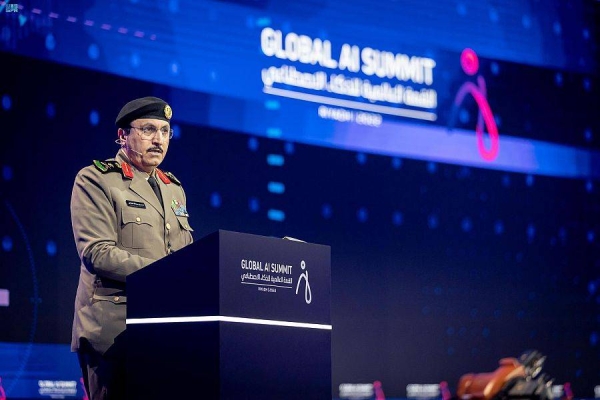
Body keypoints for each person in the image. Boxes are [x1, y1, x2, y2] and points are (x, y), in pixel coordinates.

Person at [70, 97, 194, 399]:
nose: (159, 140)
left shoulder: (173, 188)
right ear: (123, 136)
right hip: (114, 331)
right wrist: (167, 274)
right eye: (149, 130)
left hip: (165, 330)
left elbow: (186, 253)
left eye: (165, 132)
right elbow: (97, 252)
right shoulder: (96, 179)